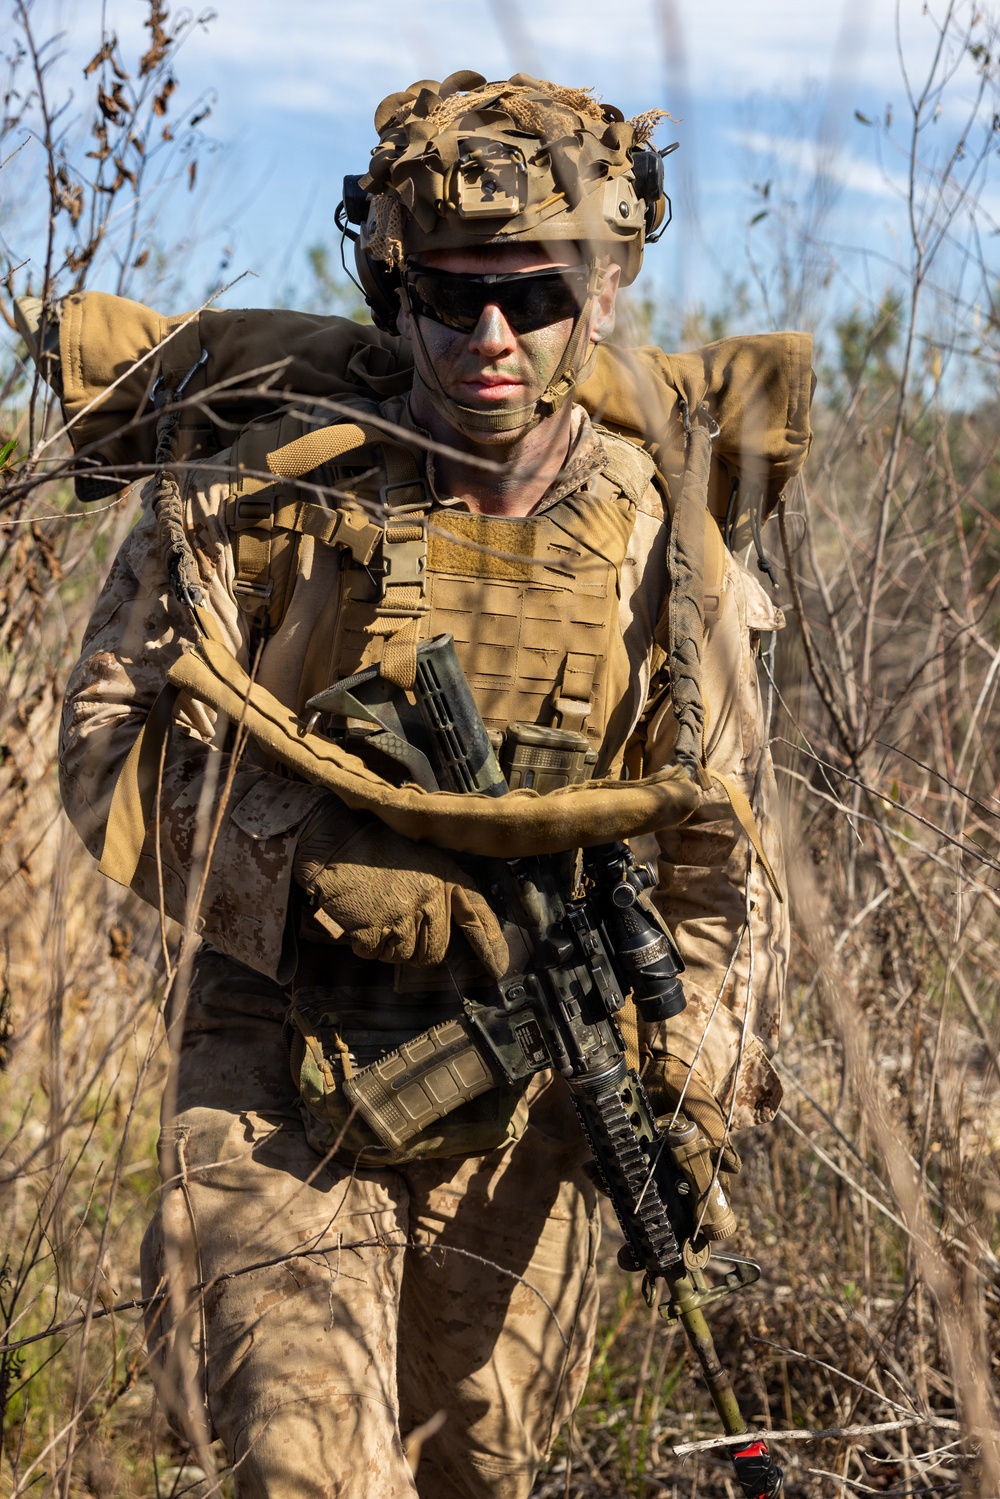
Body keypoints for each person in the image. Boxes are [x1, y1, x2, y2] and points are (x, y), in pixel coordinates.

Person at [57, 72, 790, 1499]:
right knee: (299, 1462)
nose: (494, 339)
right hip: (281, 1064)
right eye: (454, 299)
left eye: (539, 295)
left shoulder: (662, 543)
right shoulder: (270, 494)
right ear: (393, 290)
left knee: (477, 1470)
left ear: (610, 290)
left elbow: (724, 854)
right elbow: (104, 742)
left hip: (534, 1101)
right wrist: (313, 873)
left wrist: (683, 1084)